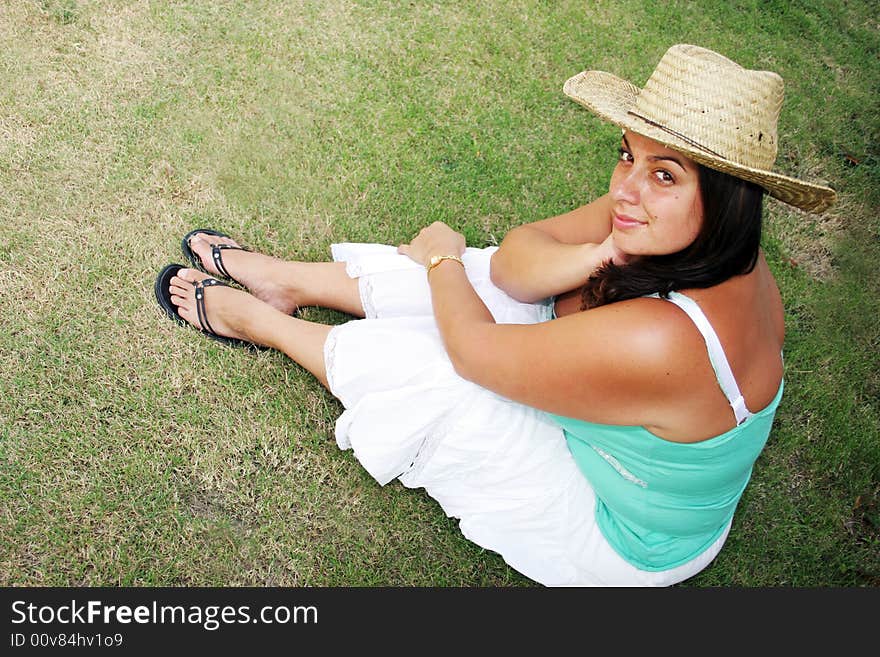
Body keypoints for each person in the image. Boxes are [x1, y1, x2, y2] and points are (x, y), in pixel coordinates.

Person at [154, 44, 836, 586]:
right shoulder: (691, 233)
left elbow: (472, 353)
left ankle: (266, 323)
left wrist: (444, 258)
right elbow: (515, 262)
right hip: (620, 408)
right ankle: (283, 279)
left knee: (439, 364)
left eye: (666, 173)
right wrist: (601, 247)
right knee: (487, 278)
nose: (626, 188)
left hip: (613, 530)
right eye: (628, 153)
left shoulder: (663, 336)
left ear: (723, 197)